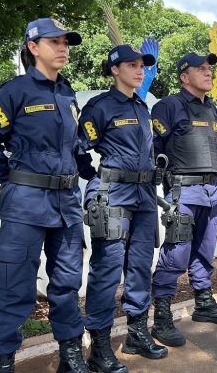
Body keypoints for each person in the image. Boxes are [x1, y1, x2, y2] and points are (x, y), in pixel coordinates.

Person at [0, 18, 93, 373]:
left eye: (66, 43)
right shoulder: (14, 91)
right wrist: (14, 182)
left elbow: (75, 147)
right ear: (33, 47)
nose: (63, 48)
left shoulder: (67, 94)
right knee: (15, 289)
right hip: (26, 206)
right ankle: (3, 363)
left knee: (68, 284)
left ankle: (70, 355)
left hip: (66, 206)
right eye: (54, 42)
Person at [79, 44, 167, 369]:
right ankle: (99, 350)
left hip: (144, 193)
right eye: (132, 64)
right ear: (115, 69)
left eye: (142, 64)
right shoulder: (99, 107)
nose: (139, 69)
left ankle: (136, 333)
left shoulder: (142, 107)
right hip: (113, 193)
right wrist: (95, 178)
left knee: (141, 265)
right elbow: (79, 148)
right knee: (107, 269)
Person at [149, 53, 217, 347]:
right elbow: (154, 151)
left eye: (209, 68)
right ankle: (162, 316)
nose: (208, 72)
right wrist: (165, 188)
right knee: (176, 253)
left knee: (205, 250)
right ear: (183, 76)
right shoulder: (168, 106)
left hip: (212, 190)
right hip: (183, 190)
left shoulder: (212, 109)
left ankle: (203, 304)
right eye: (200, 68)